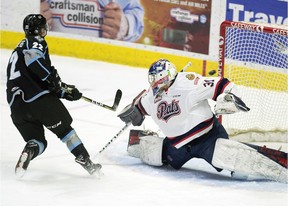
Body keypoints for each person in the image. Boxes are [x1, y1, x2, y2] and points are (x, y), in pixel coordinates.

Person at [118, 59, 287, 183]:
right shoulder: (151, 96)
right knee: (155, 157)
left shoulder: (189, 83)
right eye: (152, 79)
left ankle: (272, 160)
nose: (154, 83)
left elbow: (222, 84)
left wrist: (228, 97)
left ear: (166, 76)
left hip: (208, 139)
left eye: (157, 78)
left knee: (240, 172)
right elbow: (139, 106)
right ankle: (151, 140)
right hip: (178, 146)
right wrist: (134, 111)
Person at [6, 14, 101, 177]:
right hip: (39, 101)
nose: (45, 31)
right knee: (66, 132)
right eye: (43, 28)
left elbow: (37, 77)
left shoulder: (18, 49)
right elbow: (35, 63)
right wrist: (56, 83)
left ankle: (29, 151)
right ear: (37, 30)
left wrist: (64, 91)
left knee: (38, 142)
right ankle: (86, 162)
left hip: (17, 109)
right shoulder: (34, 42)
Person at [40, 0, 144, 42]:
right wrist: (29, 9)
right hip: (45, 61)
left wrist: (125, 24)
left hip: (99, 70)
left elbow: (136, 16)